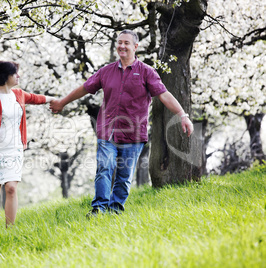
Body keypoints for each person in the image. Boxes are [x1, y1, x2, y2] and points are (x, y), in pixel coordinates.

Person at [50, 30, 194, 216]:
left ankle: (115, 210)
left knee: (124, 177)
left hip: (133, 134)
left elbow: (163, 94)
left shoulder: (146, 72)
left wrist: (183, 115)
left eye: (126, 43)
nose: (122, 46)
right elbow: (85, 89)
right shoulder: (106, 71)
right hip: (107, 132)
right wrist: (62, 102)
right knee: (105, 167)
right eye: (119, 42)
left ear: (135, 47)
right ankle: (99, 209)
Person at [0, 61, 55, 227]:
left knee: (11, 188)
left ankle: (10, 230)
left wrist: (55, 100)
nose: (18, 76)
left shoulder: (19, 94)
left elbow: (36, 98)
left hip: (15, 149)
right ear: (6, 76)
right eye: (15, 74)